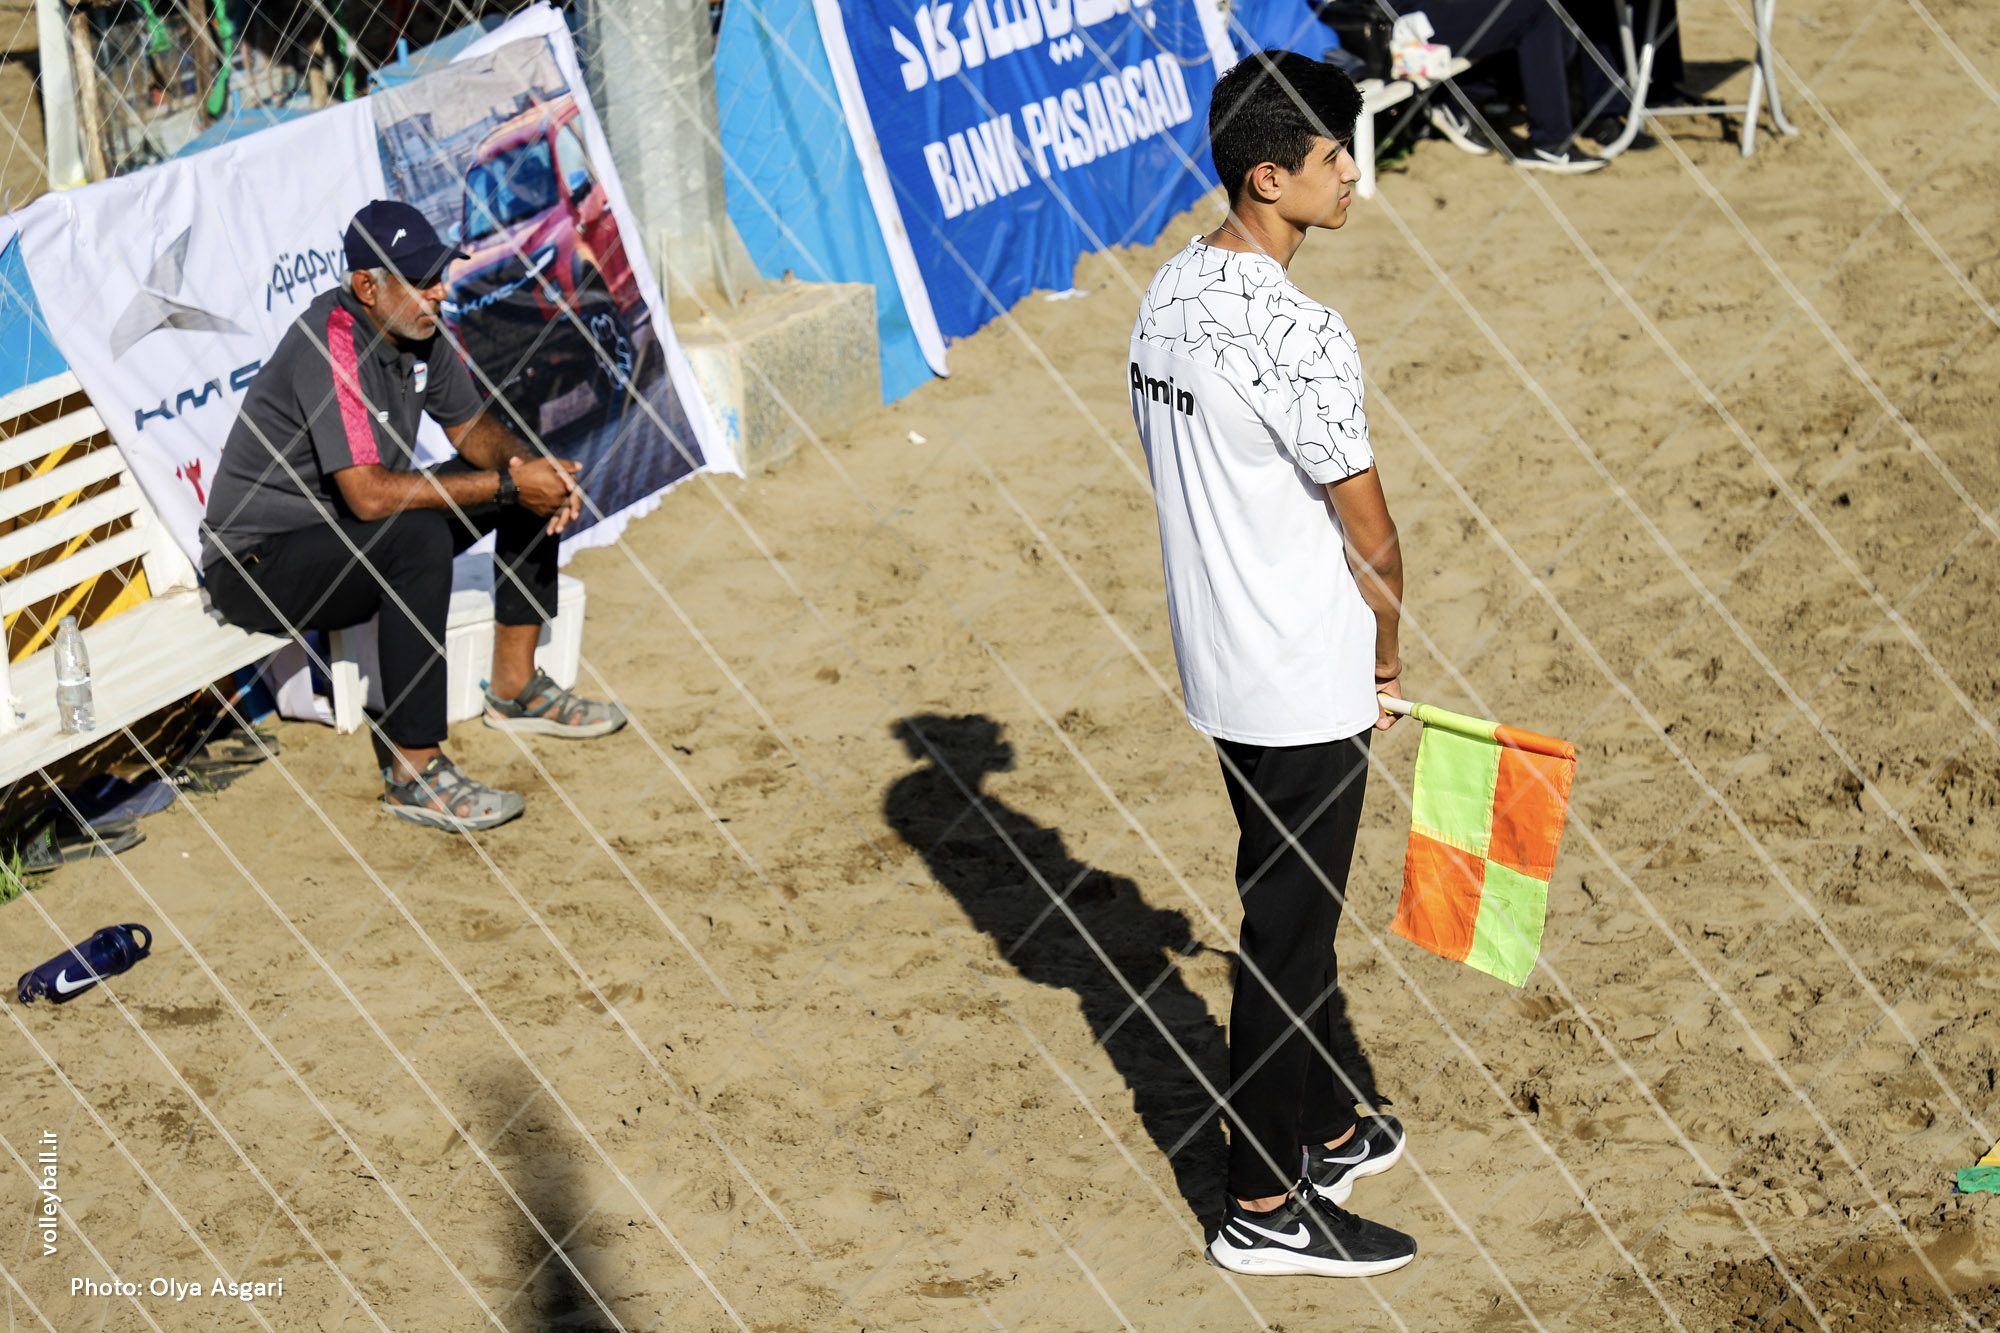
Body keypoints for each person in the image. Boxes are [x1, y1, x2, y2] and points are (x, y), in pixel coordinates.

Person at [1128, 50, 1415, 1278]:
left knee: (1285, 903)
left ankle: (1328, 1128)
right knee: (1288, 943)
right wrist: (1383, 659)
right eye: (1332, 156)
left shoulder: (1166, 290)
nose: (1351, 174)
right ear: (1267, 177)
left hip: (1221, 664)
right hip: (1300, 676)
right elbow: (1372, 533)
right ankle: (1258, 1203)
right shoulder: (1300, 332)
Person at [202, 200, 627, 834]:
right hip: (258, 564)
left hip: (341, 538)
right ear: (367, 287)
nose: (440, 291)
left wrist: (528, 474)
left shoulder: (420, 328)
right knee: (426, 533)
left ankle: (514, 689)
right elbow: (369, 498)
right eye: (422, 279)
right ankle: (414, 773)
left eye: (440, 275)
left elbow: (473, 430)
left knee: (523, 470)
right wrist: (508, 485)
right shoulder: (330, 343)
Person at [1404, 0, 1607, 172]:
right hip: (1410, 17)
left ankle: (1458, 98)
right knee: (1536, 9)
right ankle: (1551, 143)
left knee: (1560, 38)